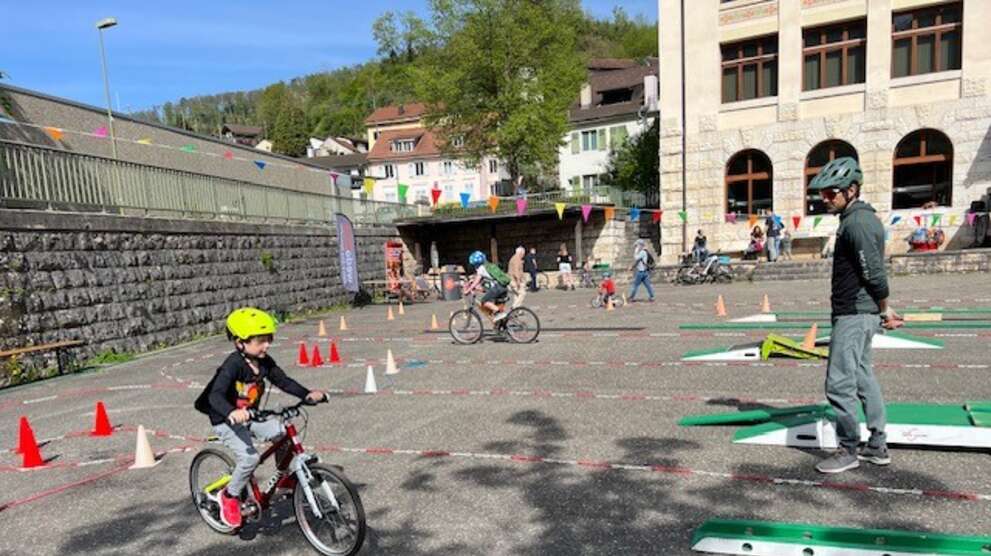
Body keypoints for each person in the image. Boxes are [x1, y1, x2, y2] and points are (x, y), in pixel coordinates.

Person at [807, 156, 902, 474]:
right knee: (863, 377)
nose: (825, 198)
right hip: (861, 312)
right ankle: (877, 444)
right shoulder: (860, 219)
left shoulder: (857, 223)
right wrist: (881, 309)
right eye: (822, 193)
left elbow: (874, 272)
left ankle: (848, 449)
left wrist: (885, 308)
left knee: (839, 383)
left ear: (851, 189)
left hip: (853, 315)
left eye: (831, 192)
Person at [195, 308, 326, 528]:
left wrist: (307, 394)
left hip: (251, 415)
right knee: (250, 459)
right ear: (240, 343)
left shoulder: (264, 361)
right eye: (260, 341)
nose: (266, 345)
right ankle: (230, 495)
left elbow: (284, 381)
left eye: (268, 340)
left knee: (282, 432)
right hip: (225, 419)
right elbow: (215, 395)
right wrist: (231, 412)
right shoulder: (233, 364)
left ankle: (284, 480)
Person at [464, 250, 511, 321]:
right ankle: (501, 326)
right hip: (503, 287)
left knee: (484, 301)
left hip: (497, 288)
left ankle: (498, 312)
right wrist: (471, 282)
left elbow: (477, 280)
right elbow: (481, 278)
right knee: (496, 308)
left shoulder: (481, 268)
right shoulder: (488, 266)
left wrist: (468, 290)